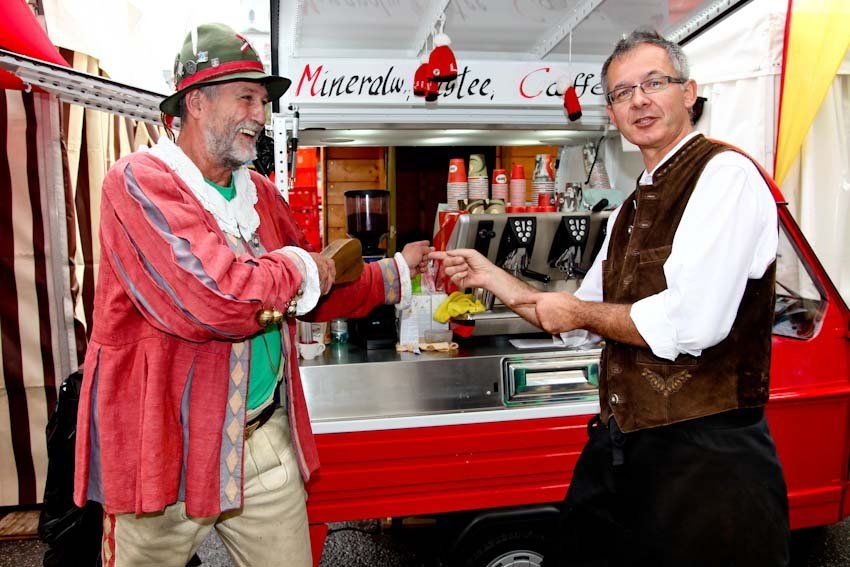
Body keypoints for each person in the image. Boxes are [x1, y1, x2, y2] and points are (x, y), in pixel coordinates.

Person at [72, 23, 430, 567]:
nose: (260, 115)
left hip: (261, 436)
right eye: (246, 98)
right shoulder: (138, 181)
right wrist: (298, 266)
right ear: (196, 102)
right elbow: (214, 298)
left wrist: (395, 273)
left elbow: (314, 287)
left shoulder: (259, 192)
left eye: (263, 101)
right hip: (166, 444)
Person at [436, 29, 789, 566]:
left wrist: (577, 311)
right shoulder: (630, 207)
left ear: (689, 92)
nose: (638, 100)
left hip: (707, 461)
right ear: (611, 113)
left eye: (654, 83)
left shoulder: (726, 175)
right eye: (623, 92)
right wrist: (492, 277)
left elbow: (693, 323)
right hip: (628, 446)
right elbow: (578, 316)